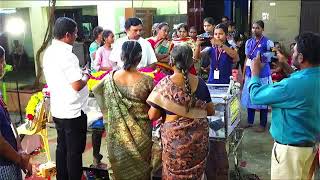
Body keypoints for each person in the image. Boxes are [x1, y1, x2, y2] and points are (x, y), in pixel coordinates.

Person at [249, 32, 320, 180]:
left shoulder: (290, 85)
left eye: (294, 52)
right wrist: (286, 66)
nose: (291, 54)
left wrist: (254, 73)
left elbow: (256, 96)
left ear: (301, 57)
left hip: (289, 152)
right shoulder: (313, 77)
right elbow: (301, 79)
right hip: (310, 148)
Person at [147, 44, 214, 179]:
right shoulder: (200, 83)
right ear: (190, 63)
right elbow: (211, 111)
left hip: (174, 143)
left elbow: (152, 115)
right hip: (199, 140)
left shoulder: (164, 85)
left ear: (171, 61)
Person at [93, 41, 154, 180]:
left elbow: (97, 91)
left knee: (120, 170)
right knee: (141, 170)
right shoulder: (147, 81)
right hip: (141, 135)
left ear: (121, 56)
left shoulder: (109, 78)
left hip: (117, 136)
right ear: (139, 58)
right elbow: (154, 109)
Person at [43, 17, 89, 180]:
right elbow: (77, 85)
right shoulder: (67, 55)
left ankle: (62, 177)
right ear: (68, 35)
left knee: (62, 147)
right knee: (74, 152)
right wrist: (86, 76)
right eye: (76, 34)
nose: (77, 37)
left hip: (59, 109)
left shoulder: (49, 52)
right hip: (73, 111)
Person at [0, 46, 32, 179]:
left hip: (13, 158)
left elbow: (8, 121)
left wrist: (20, 149)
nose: (4, 66)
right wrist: (20, 159)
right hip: (3, 165)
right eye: (1, 62)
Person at [241, 20, 274, 132]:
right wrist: (244, 72)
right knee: (250, 97)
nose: (255, 30)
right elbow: (247, 58)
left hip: (263, 75)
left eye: (258, 28)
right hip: (250, 74)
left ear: (262, 29)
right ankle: (250, 121)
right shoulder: (248, 42)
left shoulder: (268, 42)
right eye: (253, 28)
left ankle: (262, 124)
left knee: (263, 99)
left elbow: (268, 59)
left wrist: (258, 68)